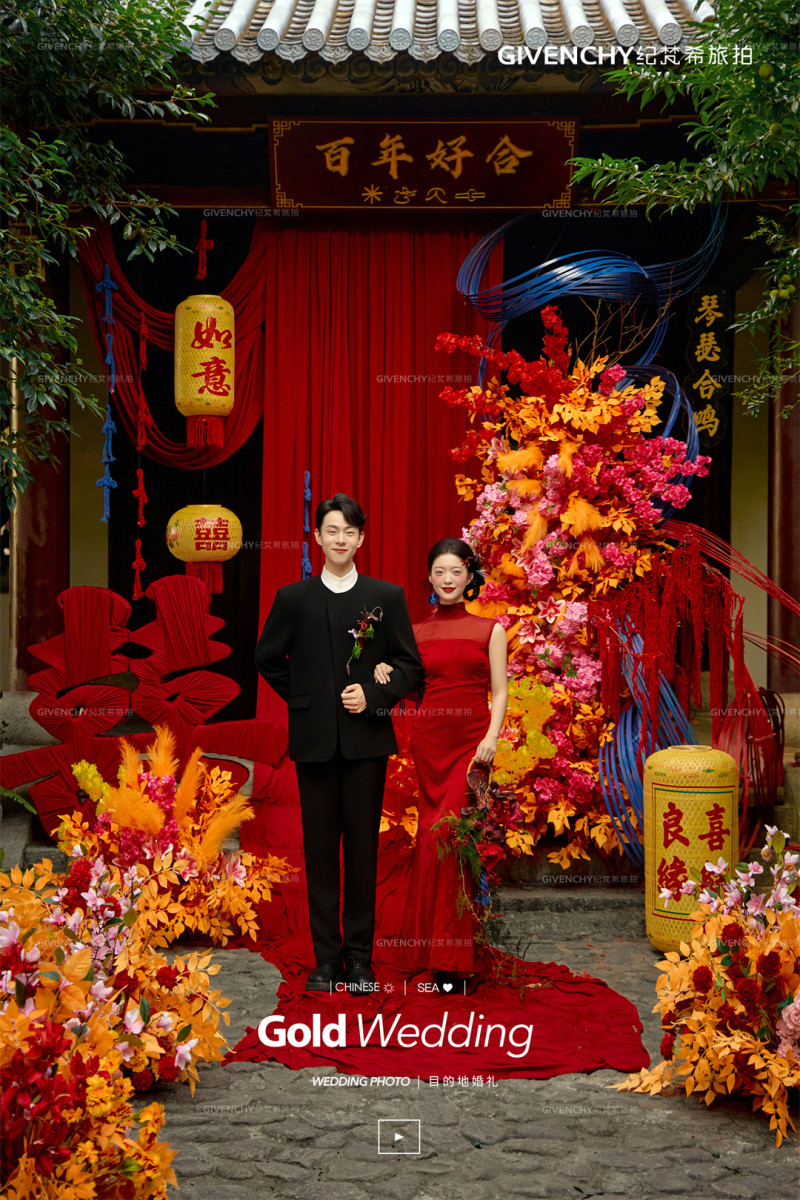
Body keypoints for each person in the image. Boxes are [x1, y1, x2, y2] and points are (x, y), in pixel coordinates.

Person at [255, 494, 422, 994]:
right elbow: (267, 658)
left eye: (349, 531)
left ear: (361, 538)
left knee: (363, 853)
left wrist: (374, 695)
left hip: (366, 742)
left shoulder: (385, 597)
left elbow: (410, 667)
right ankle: (326, 960)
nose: (340, 539)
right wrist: (305, 699)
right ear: (317, 538)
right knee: (321, 853)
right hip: (314, 744)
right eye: (332, 530)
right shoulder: (294, 598)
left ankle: (360, 960)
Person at [374, 537, 508, 991]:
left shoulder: (490, 630)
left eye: (456, 571)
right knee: (432, 840)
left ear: (470, 576)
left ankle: (455, 961)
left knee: (454, 838)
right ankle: (431, 953)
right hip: (429, 743)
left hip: (472, 745)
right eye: (439, 572)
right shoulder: (415, 632)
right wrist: (381, 671)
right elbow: (406, 684)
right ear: (429, 578)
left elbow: (500, 692)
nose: (448, 579)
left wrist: (491, 738)